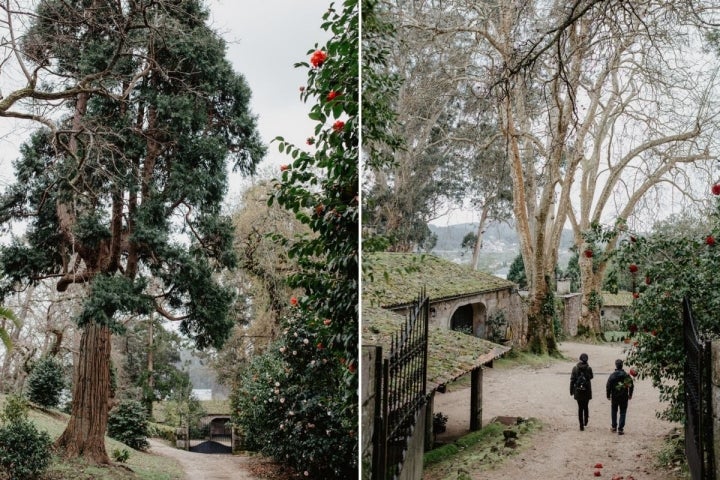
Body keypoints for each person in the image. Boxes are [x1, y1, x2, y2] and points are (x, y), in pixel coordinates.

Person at [606, 359, 634, 435]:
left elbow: (608, 386)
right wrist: (630, 394)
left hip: (614, 396)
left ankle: (614, 426)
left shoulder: (612, 375)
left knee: (614, 411)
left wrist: (608, 395)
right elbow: (631, 385)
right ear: (622, 365)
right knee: (623, 412)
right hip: (624, 396)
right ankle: (620, 429)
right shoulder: (626, 375)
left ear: (616, 365)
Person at [570, 353, 594, 431]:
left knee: (580, 408)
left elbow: (572, 380)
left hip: (578, 391)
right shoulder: (589, 368)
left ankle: (581, 425)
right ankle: (586, 420)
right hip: (586, 391)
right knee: (586, 406)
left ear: (580, 359)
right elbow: (591, 377)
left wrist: (571, 390)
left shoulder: (575, 368)